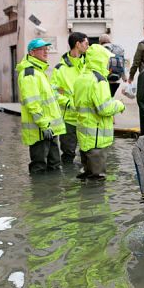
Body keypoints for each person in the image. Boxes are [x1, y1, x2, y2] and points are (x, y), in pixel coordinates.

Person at [73, 44, 126, 180]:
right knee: (97, 180)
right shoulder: (99, 80)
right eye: (108, 60)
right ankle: (95, 201)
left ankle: (85, 200)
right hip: (97, 139)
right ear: (101, 60)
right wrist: (119, 105)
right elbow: (104, 108)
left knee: (87, 176)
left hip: (85, 138)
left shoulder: (81, 78)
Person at [16, 38, 66, 174]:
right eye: (42, 49)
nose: (46, 52)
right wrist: (44, 125)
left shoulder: (39, 72)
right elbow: (33, 104)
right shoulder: (29, 73)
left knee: (55, 165)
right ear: (32, 52)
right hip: (41, 131)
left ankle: (53, 193)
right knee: (39, 167)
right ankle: (39, 194)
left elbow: (48, 98)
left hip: (50, 129)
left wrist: (66, 100)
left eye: (46, 49)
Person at [52, 32, 89, 164]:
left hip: (87, 118)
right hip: (69, 119)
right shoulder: (59, 69)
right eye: (86, 43)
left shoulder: (88, 65)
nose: (88, 47)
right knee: (68, 154)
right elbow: (54, 92)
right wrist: (68, 103)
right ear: (77, 44)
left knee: (88, 153)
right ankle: (68, 182)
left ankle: (86, 183)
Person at [99, 33, 125, 97]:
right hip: (117, 79)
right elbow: (122, 63)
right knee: (111, 97)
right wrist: (124, 77)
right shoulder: (118, 49)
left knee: (105, 98)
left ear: (100, 41)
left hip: (105, 79)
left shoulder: (101, 49)